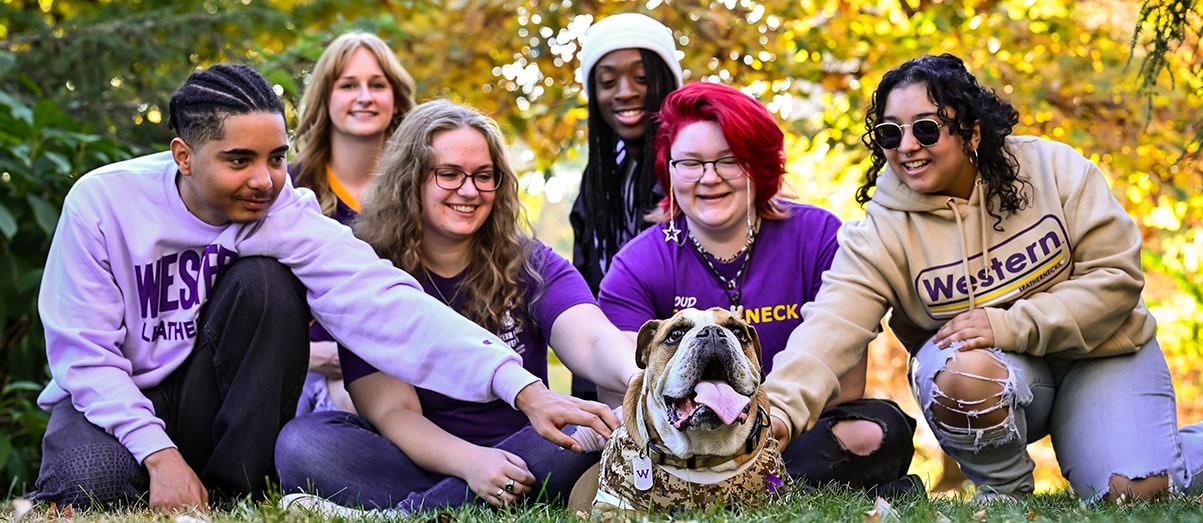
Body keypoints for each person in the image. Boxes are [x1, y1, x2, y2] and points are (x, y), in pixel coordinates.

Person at [30, 63, 615, 513]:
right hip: (116, 397)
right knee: (90, 489)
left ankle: (232, 493)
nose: (264, 180)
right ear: (183, 155)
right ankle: (163, 474)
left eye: (276, 158)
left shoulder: (282, 213)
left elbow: (386, 302)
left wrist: (525, 391)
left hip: (205, 398)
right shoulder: (103, 203)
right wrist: (158, 455)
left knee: (267, 282)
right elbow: (84, 355)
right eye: (239, 160)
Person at [764, 53, 1203, 502]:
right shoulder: (881, 231)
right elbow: (831, 324)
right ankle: (1007, 495)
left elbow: (1116, 278)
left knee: (1133, 495)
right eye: (891, 134)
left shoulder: (1055, 170)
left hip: (1100, 355)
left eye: (926, 129)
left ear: (970, 132)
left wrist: (1007, 324)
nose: (907, 146)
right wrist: (778, 411)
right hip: (990, 378)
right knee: (957, 369)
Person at [275, 99, 639, 514]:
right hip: (420, 457)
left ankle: (407, 513)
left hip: (524, 453)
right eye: (448, 174)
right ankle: (461, 502)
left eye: (484, 176)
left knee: (591, 424)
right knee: (303, 442)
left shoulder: (531, 264)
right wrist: (471, 464)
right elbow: (394, 411)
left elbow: (592, 341)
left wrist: (643, 379)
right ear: (410, 180)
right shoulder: (366, 273)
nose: (469, 190)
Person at [598, 81, 921, 497]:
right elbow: (629, 388)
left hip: (794, 430)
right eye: (691, 163)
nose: (709, 178)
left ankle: (756, 486)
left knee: (874, 431)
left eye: (729, 160)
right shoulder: (637, 263)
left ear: (759, 164)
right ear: (669, 170)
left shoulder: (818, 235)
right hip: (680, 447)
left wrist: (759, 417)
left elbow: (848, 381)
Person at [290, 31, 416, 415]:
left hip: (396, 369)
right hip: (297, 371)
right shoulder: (287, 190)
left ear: (395, 100)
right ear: (325, 99)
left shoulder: (419, 191)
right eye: (348, 85)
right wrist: (307, 355)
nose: (364, 96)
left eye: (377, 85)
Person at [569, 12, 683, 401]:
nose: (624, 92)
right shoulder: (600, 179)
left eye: (641, 77)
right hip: (614, 380)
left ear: (666, 81)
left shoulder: (692, 173)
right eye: (607, 81)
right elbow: (586, 294)